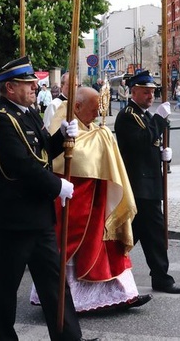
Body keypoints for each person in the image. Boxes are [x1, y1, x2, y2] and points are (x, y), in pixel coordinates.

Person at [0, 56, 90, 341]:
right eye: (28, 84)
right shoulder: (0, 120)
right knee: (6, 288)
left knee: (55, 284)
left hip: (39, 217)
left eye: (34, 83)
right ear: (9, 88)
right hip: (12, 220)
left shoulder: (28, 113)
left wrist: (62, 138)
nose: (34, 88)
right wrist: (56, 186)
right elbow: (19, 165)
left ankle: (68, 338)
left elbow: (40, 153)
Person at [31, 87, 151, 312]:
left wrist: (101, 137)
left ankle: (123, 294)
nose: (97, 115)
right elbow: (64, 156)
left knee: (109, 248)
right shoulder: (62, 117)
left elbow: (96, 146)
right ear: (77, 107)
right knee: (75, 252)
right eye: (93, 110)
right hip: (76, 200)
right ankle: (73, 301)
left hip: (98, 198)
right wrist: (96, 140)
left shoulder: (90, 124)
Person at [114, 70, 180, 295]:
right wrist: (159, 119)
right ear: (133, 92)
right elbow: (141, 142)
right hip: (139, 186)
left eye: (153, 92)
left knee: (138, 235)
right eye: (146, 92)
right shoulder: (128, 115)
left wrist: (165, 155)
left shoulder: (143, 114)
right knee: (149, 234)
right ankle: (159, 277)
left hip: (149, 184)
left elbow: (151, 146)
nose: (150, 96)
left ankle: (110, 268)